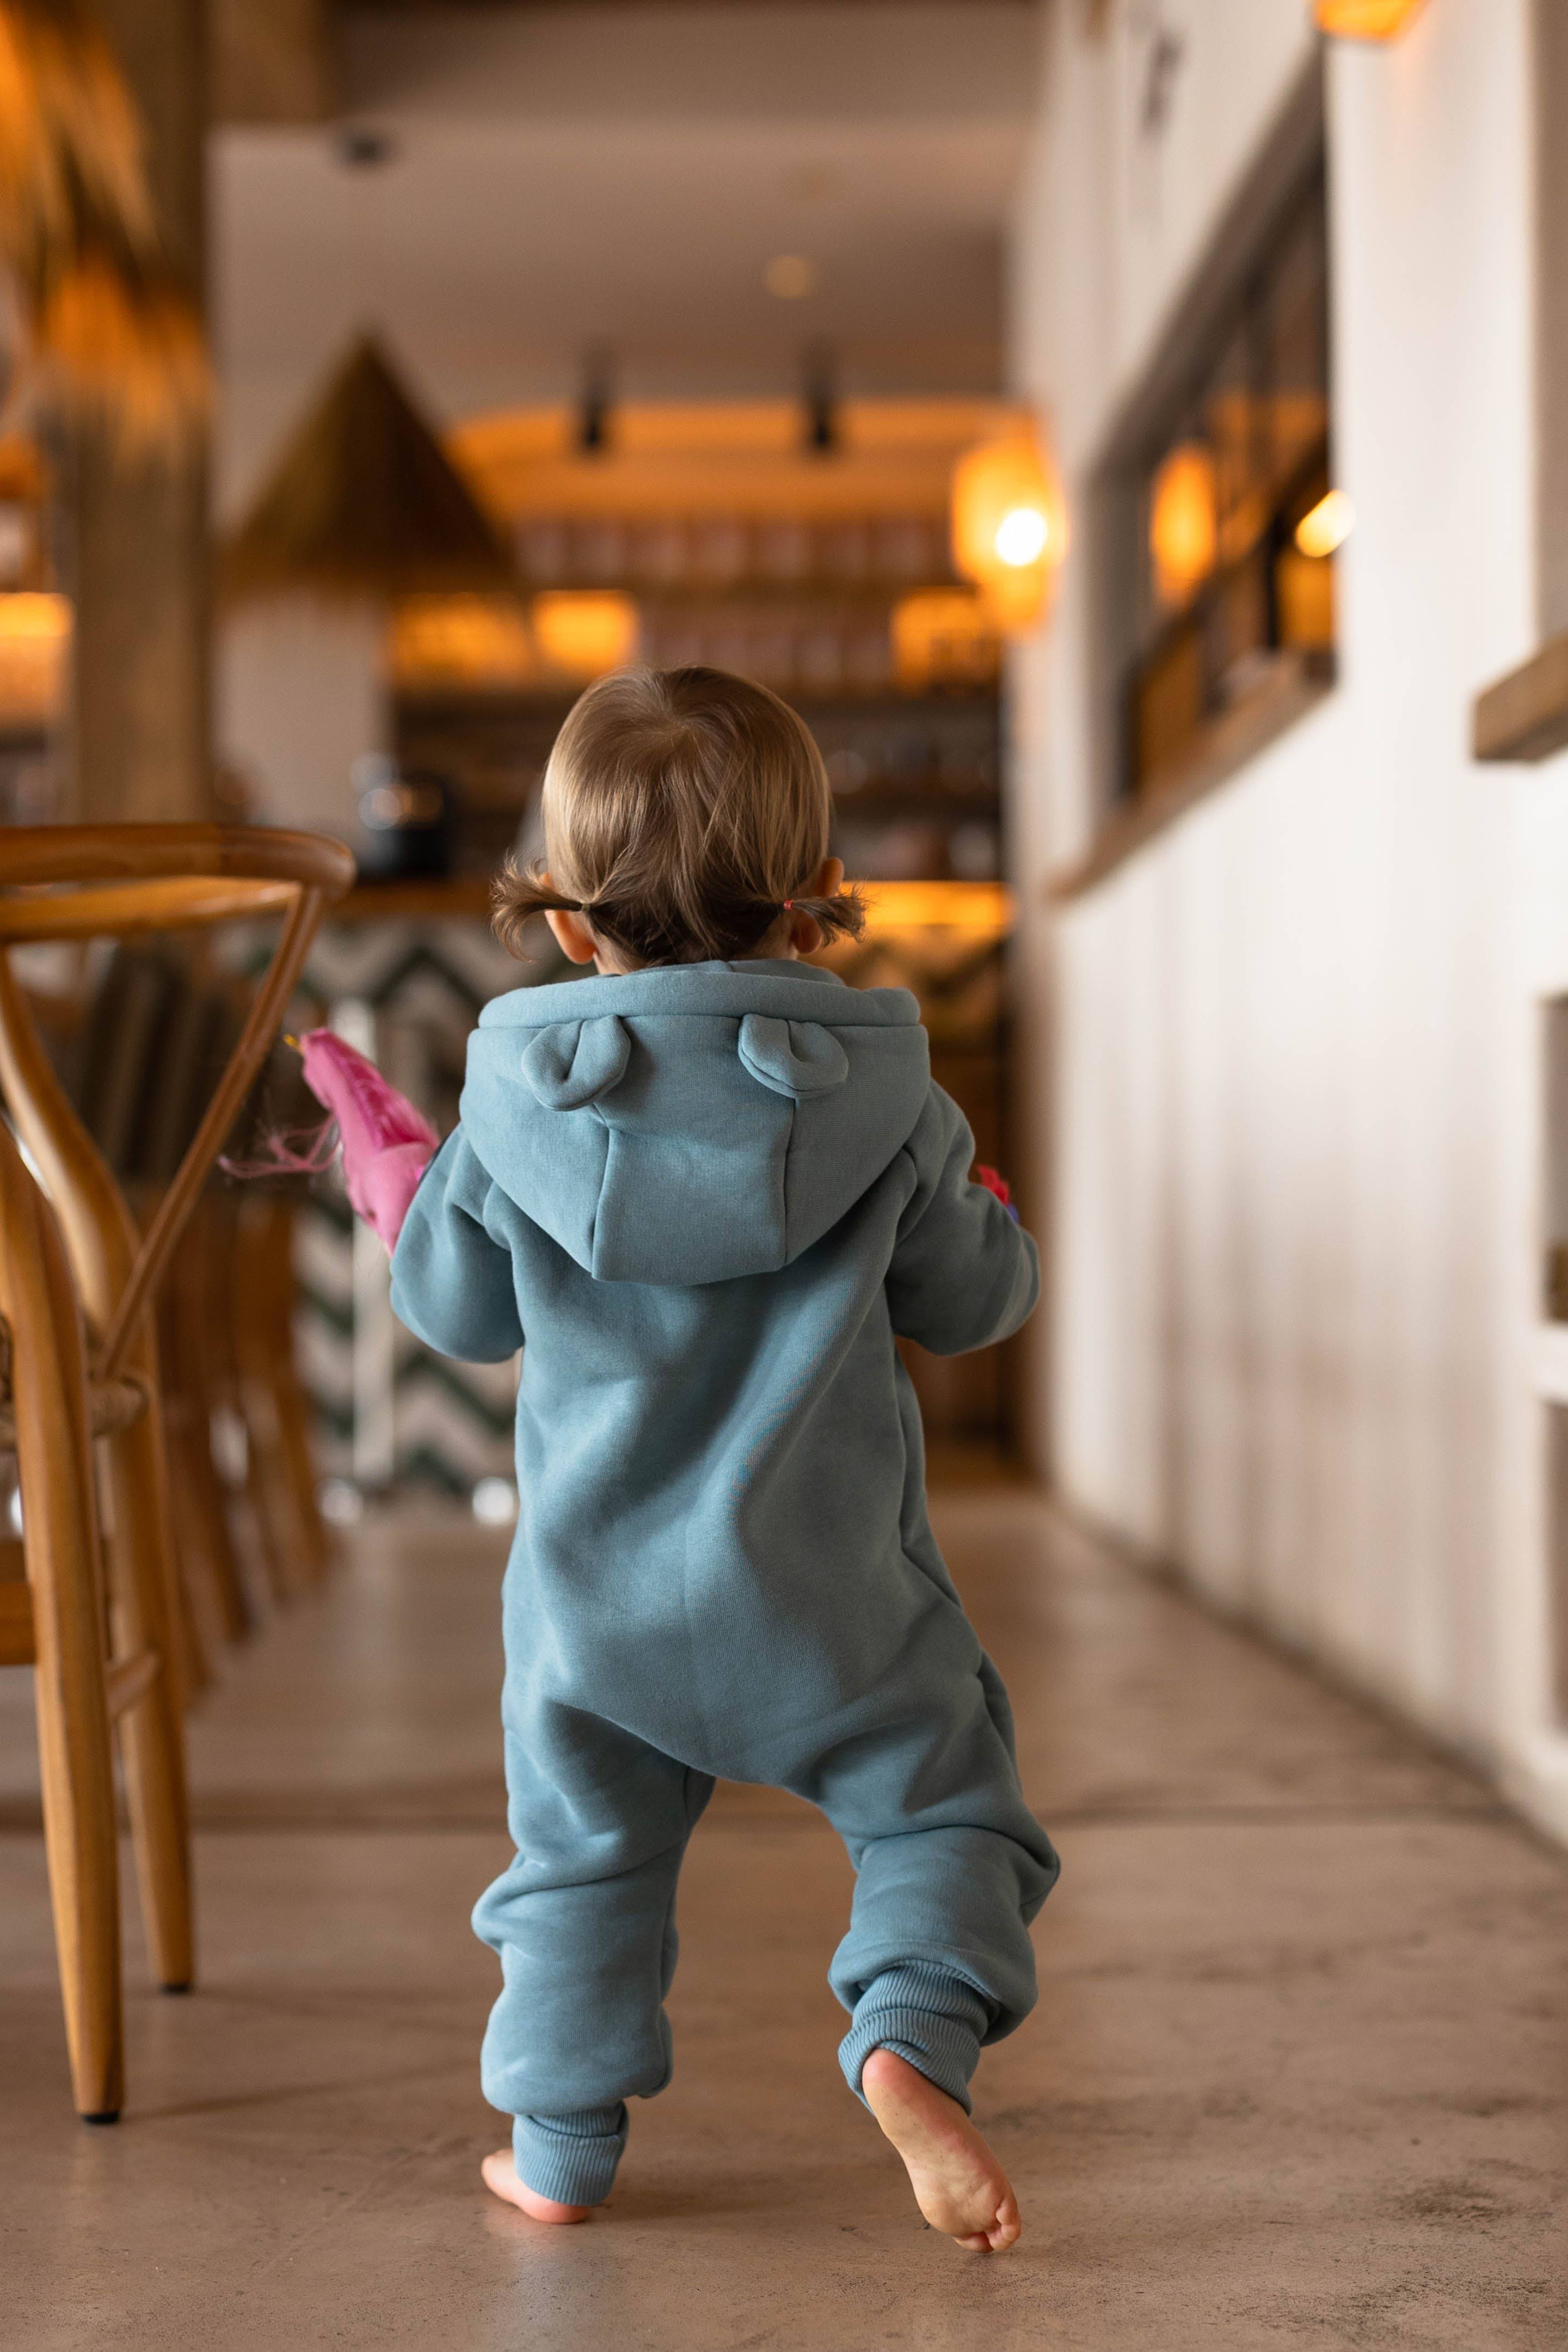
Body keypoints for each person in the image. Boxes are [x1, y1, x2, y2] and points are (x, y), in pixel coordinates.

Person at [389, 666, 1059, 2251]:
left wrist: (426, 1188)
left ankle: (557, 2145)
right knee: (944, 1811)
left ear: (568, 923)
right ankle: (908, 2032)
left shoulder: (505, 1107)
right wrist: (994, 1215)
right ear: (813, 902)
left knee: (576, 1862)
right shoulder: (892, 1096)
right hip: (830, 1602)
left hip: (590, 1615)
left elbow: (454, 1307)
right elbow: (972, 1306)